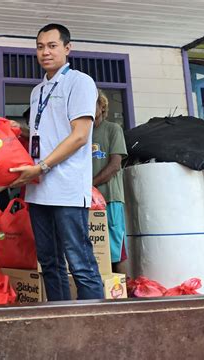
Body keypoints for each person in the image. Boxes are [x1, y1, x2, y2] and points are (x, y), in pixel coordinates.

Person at [10, 23, 104, 301]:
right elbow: (43, 137)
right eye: (40, 47)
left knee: (80, 263)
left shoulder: (80, 82)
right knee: (49, 263)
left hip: (66, 189)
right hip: (39, 189)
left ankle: (95, 327)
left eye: (52, 46)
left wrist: (42, 167)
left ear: (67, 48)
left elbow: (79, 136)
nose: (45, 52)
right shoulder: (37, 91)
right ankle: (60, 320)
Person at [92, 90, 128, 274]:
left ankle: (122, 296)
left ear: (102, 106)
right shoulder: (81, 133)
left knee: (116, 250)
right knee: (95, 250)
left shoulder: (113, 129)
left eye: (92, 103)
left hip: (109, 198)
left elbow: (115, 165)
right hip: (88, 201)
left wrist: (90, 185)